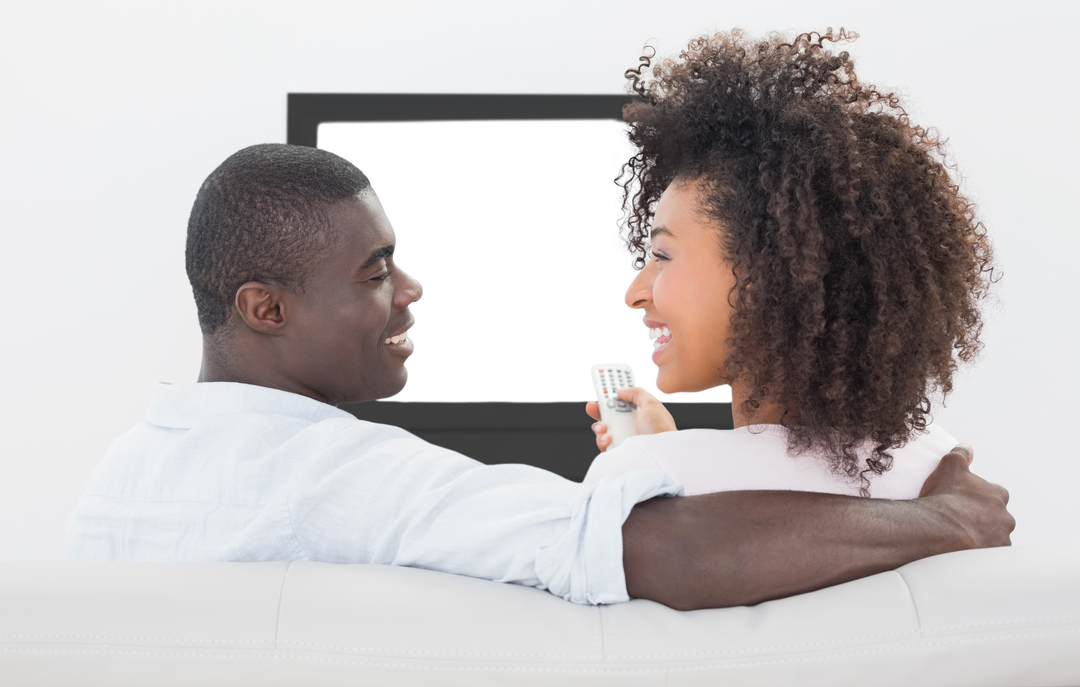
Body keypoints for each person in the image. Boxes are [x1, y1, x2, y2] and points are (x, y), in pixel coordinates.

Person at [66, 140, 1012, 612]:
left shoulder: (119, 479)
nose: (413, 287)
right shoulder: (351, 481)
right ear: (264, 308)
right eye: (374, 271)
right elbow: (655, 552)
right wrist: (944, 518)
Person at [585, 28, 999, 501]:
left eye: (662, 256)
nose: (632, 292)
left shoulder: (643, 476)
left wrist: (648, 466)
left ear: (768, 278)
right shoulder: (942, 471)